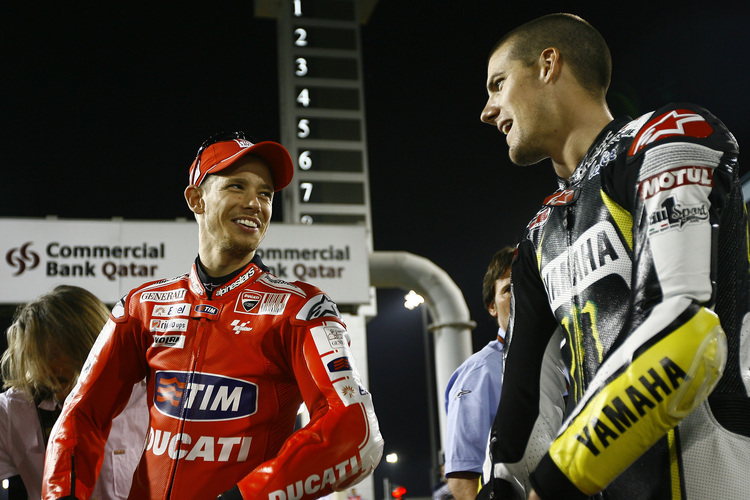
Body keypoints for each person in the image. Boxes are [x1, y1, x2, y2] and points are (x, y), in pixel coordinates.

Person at [479, 12, 750, 500]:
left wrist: (555, 483)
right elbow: (523, 408)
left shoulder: (669, 134)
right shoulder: (537, 234)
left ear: (548, 64)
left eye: (498, 84)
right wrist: (500, 487)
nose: (487, 109)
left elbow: (684, 335)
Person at [42, 132, 384, 500]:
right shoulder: (141, 306)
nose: (255, 203)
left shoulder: (301, 309)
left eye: (265, 193)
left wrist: (247, 496)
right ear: (196, 199)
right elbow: (80, 416)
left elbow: (357, 433)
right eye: (237, 186)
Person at [0, 285, 148, 500]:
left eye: (66, 380)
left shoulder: (153, 398)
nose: (60, 397)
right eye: (47, 383)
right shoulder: (10, 411)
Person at [443, 247, 514, 499]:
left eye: (529, 284)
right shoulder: (481, 371)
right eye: (508, 289)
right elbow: (463, 479)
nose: (520, 295)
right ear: (492, 307)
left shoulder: (567, 357)